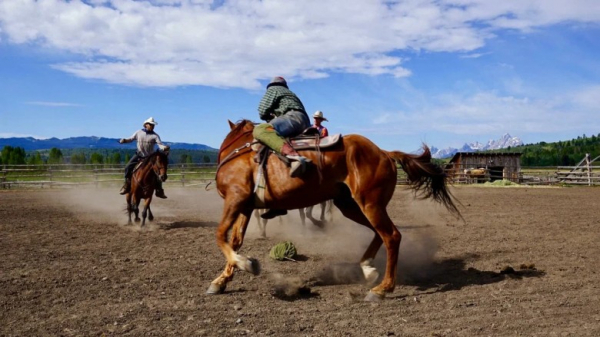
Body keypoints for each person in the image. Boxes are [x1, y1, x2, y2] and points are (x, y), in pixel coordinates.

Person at [253, 76, 311, 219]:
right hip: (302, 120)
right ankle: (278, 204)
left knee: (260, 131)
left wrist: (268, 116)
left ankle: (294, 156)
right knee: (275, 146)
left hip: (293, 118)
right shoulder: (290, 94)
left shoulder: (274, 89)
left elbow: (262, 110)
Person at [119, 117, 170, 198]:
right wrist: (124, 140)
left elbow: (160, 144)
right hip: (139, 155)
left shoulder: (155, 136)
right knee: (128, 167)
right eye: (151, 125)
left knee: (158, 172)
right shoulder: (138, 132)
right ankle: (126, 185)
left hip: (150, 157)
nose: (152, 126)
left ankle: (159, 190)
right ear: (146, 125)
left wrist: (164, 148)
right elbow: (131, 139)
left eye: (153, 125)